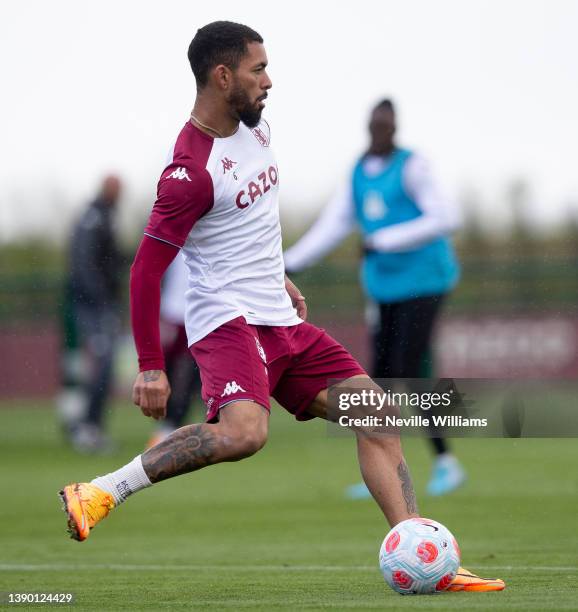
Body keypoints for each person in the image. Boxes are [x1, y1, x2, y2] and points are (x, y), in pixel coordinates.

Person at [58, 22, 503, 592]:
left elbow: (251, 222)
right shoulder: (188, 174)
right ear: (223, 77)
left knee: (379, 416)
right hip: (227, 323)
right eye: (257, 69)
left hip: (281, 317)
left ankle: (427, 561)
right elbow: (145, 270)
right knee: (245, 434)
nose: (269, 81)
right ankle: (100, 492)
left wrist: (280, 276)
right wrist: (149, 364)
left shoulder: (258, 129)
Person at [284, 100, 466, 497]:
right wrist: (288, 263)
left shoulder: (413, 166)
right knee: (379, 372)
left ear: (395, 127)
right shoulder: (359, 173)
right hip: (384, 288)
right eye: (374, 124)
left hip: (425, 282)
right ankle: (381, 468)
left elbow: (446, 217)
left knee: (409, 367)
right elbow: (333, 225)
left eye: (386, 124)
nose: (380, 131)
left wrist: (384, 239)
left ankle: (445, 462)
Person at [62, 175, 124, 453]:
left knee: (99, 365)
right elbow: (85, 262)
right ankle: (85, 426)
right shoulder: (94, 218)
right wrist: (101, 299)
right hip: (94, 305)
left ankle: (87, 425)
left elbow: (108, 257)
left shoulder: (103, 216)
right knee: (101, 364)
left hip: (98, 303)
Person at [146, 254, 201, 448]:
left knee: (193, 371)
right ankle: (169, 424)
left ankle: (175, 423)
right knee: (169, 368)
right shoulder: (173, 230)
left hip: (200, 313)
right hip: (174, 311)